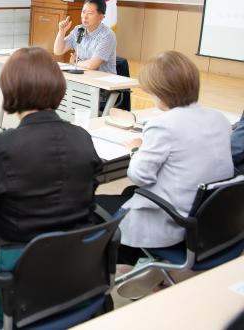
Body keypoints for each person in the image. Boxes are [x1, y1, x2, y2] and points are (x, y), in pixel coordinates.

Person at [0, 47, 102, 292]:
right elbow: (88, 195)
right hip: (74, 266)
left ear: (10, 88)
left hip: (16, 276)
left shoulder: (2, 147)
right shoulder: (82, 137)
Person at [96, 51, 233, 296]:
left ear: (161, 91)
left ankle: (133, 264)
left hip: (176, 221)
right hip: (210, 219)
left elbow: (140, 175)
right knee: (129, 194)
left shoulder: (163, 125)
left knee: (101, 206)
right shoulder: (218, 118)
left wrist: (136, 149)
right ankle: (146, 266)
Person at [53, 0, 117, 74]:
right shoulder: (79, 29)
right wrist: (61, 32)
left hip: (104, 81)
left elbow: (92, 65)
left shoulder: (107, 35)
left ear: (101, 17)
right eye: (83, 12)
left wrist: (75, 62)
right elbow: (58, 50)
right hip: (83, 76)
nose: (85, 17)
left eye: (90, 13)